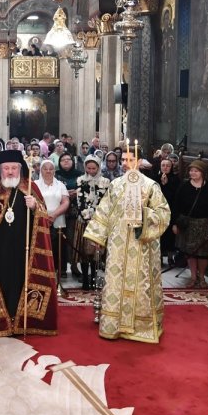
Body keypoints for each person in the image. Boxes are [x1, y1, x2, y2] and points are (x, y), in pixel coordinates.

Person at [82, 146, 171, 342]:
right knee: (116, 281)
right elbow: (104, 211)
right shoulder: (115, 185)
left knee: (141, 281)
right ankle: (114, 324)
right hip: (118, 243)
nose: (124, 163)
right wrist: (97, 236)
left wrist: (144, 218)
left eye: (129, 159)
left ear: (138, 161)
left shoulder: (150, 186)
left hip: (142, 243)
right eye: (122, 159)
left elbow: (163, 214)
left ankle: (141, 326)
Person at [0, 149, 59, 336]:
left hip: (24, 249)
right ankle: (1, 321)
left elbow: (43, 216)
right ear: (0, 170)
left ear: (20, 169)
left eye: (14, 168)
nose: (10, 172)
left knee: (20, 280)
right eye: (6, 168)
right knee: (1, 280)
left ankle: (20, 321)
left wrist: (35, 207)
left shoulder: (31, 188)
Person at [173, 160, 208, 288]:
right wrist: (174, 223)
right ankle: (193, 277)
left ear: (202, 172)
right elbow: (175, 205)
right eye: (191, 170)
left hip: (205, 224)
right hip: (187, 224)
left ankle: (202, 277)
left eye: (196, 171)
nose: (192, 173)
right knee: (190, 253)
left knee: (203, 253)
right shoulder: (184, 186)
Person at [71, 153, 110, 289]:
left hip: (99, 221)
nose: (91, 171)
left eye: (94, 168)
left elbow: (106, 200)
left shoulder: (105, 181)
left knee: (95, 252)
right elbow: (79, 199)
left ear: (98, 168)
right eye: (89, 168)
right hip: (84, 221)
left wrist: (98, 217)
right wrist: (87, 216)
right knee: (84, 251)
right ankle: (85, 278)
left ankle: (94, 277)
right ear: (85, 167)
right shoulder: (80, 180)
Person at [35, 158, 71, 280]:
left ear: (54, 171)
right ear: (41, 170)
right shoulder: (34, 185)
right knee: (42, 249)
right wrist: (44, 216)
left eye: (51, 169)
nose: (48, 171)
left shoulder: (60, 185)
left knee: (58, 249)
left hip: (58, 221)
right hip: (40, 221)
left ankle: (58, 273)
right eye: (45, 169)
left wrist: (54, 215)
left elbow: (65, 202)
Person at [155, 157, 181, 268]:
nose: (165, 167)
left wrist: (167, 184)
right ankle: (159, 257)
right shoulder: (155, 178)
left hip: (171, 210)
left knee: (170, 236)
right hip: (157, 211)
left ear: (171, 167)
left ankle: (170, 258)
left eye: (168, 166)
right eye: (163, 165)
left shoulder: (176, 179)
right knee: (158, 234)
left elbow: (176, 196)